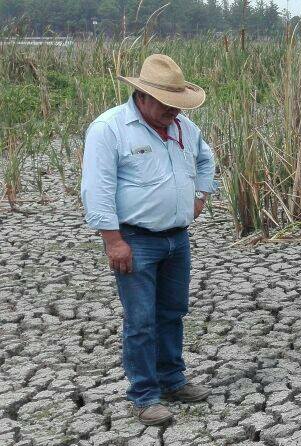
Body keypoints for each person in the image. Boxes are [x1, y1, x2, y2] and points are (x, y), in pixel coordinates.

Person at [80, 54, 216, 426]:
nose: (173, 111)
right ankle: (144, 395)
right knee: (140, 320)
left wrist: (200, 196)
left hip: (177, 239)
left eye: (177, 104)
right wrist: (113, 240)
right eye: (166, 103)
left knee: (172, 313)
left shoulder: (185, 128)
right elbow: (97, 187)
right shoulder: (110, 129)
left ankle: (173, 380)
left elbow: (206, 161)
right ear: (142, 96)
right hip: (135, 240)